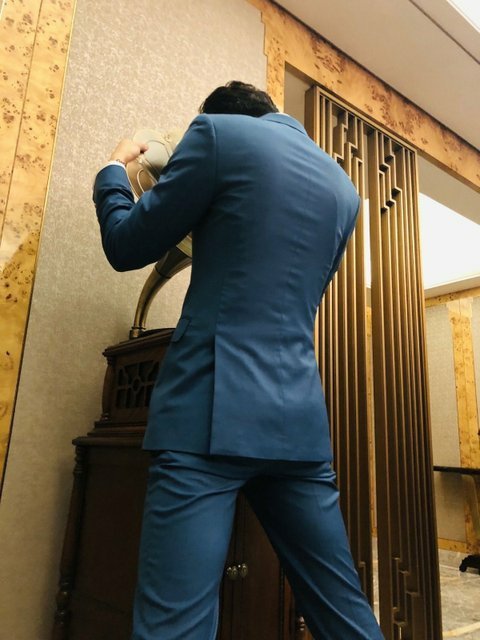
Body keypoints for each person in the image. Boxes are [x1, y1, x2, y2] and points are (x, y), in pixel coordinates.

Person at [93, 81, 384, 640]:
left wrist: (113, 168)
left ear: (217, 115)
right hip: (299, 424)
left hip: (207, 412)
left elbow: (125, 245)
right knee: (343, 613)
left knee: (175, 626)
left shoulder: (214, 134)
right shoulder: (344, 189)